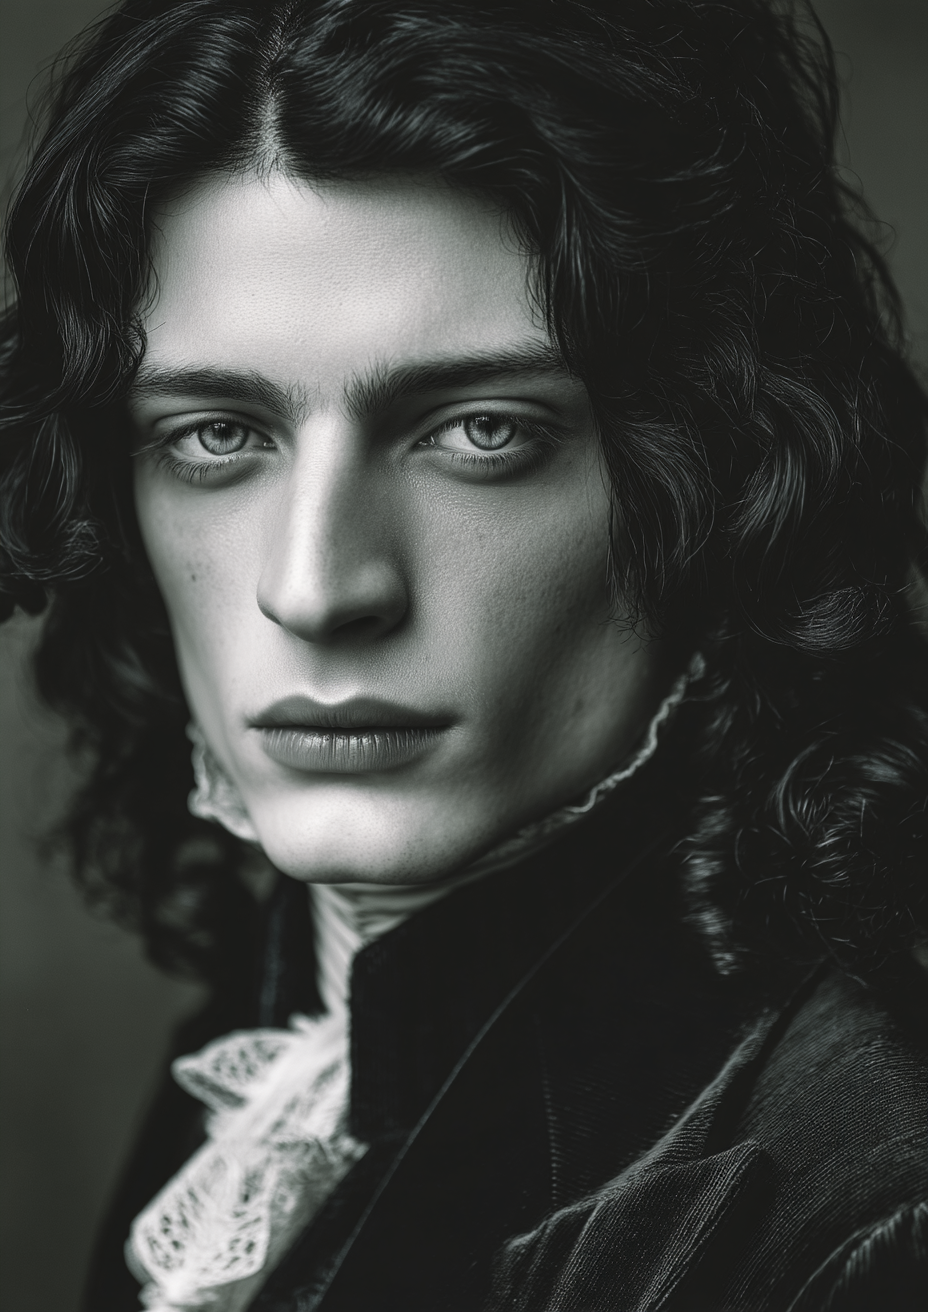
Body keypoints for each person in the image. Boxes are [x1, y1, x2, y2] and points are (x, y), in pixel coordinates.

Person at [1, 0, 926, 1308]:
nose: (316, 589)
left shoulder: (863, 1217)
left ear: (714, 476)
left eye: (482, 431)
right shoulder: (271, 1050)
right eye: (216, 434)